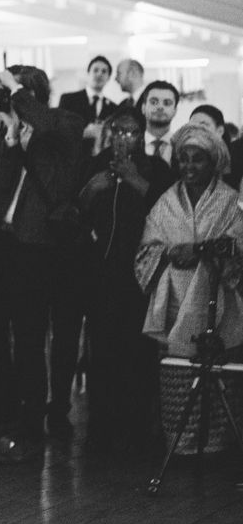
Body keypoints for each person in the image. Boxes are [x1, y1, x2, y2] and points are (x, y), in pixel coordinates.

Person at [0, 65, 85, 462]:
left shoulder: (66, 120)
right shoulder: (19, 128)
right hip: (20, 246)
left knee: (62, 336)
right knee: (26, 335)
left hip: (60, 247)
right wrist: (12, 142)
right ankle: (29, 413)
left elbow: (48, 126)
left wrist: (17, 96)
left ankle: (58, 411)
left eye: (10, 91)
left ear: (30, 91)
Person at [135, 124, 243, 454]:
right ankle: (180, 445)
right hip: (175, 302)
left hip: (218, 304)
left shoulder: (230, 201)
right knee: (178, 379)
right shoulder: (166, 202)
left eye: (198, 160)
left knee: (219, 376)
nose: (189, 167)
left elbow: (237, 243)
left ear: (213, 163)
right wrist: (167, 252)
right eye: (184, 159)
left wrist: (199, 250)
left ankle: (214, 444)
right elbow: (145, 251)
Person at [78, 107, 174, 456]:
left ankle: (136, 431)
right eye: (118, 130)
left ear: (141, 134)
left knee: (137, 354)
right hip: (102, 272)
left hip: (141, 276)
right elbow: (77, 209)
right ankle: (101, 429)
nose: (124, 138)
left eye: (132, 132)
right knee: (101, 354)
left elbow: (167, 211)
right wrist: (93, 188)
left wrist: (136, 180)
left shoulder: (155, 167)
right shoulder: (97, 164)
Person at [58, 55, 117, 156]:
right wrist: (83, 133)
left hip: (101, 163)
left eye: (104, 71)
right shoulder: (68, 99)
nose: (99, 74)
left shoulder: (114, 107)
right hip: (73, 160)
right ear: (88, 74)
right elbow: (59, 132)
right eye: (95, 70)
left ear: (108, 78)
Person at [139, 80, 179, 167]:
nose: (160, 107)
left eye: (167, 103)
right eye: (154, 102)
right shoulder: (133, 144)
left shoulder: (181, 145)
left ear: (175, 111)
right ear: (143, 108)